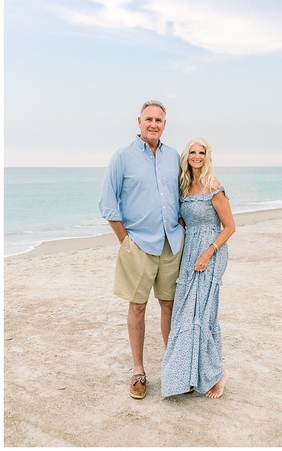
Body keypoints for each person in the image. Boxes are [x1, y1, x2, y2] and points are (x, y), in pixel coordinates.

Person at [99, 100, 184, 400]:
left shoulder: (174, 157)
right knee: (137, 307)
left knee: (169, 305)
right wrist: (126, 242)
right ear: (139, 121)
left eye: (159, 120)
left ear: (164, 124)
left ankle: (173, 368)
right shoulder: (121, 157)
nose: (153, 124)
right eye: (148, 119)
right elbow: (108, 205)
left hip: (171, 244)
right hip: (138, 245)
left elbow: (183, 195)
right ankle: (138, 371)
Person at [161, 137, 235, 399]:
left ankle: (218, 374)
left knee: (202, 314)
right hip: (189, 252)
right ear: (186, 156)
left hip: (211, 253)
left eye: (201, 152)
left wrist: (208, 253)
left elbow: (230, 227)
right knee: (184, 312)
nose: (196, 156)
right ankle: (190, 375)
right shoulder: (184, 187)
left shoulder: (213, 186)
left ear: (207, 156)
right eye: (192, 152)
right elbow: (182, 220)